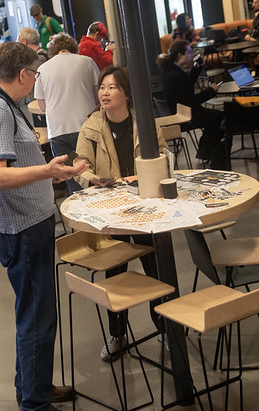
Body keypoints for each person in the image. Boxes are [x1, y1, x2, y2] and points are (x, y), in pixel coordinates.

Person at [0, 41, 84, 410]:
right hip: (20, 227)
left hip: (24, 223)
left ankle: (32, 386)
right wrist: (48, 171)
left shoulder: (2, 103)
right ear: (22, 74)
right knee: (37, 316)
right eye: (34, 72)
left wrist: (47, 176)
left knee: (33, 312)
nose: (35, 79)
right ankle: (35, 403)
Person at [76, 66, 168, 360]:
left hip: (145, 206)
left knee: (156, 267)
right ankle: (117, 334)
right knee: (114, 273)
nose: (104, 92)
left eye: (112, 87)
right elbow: (82, 164)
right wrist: (91, 178)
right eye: (102, 87)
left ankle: (165, 327)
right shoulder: (91, 126)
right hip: (112, 210)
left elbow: (164, 154)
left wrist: (143, 174)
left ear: (126, 94)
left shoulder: (145, 121)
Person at [34, 33, 100, 194]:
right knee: (92, 172)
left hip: (59, 133)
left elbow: (42, 107)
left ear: (54, 50)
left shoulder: (42, 69)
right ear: (73, 47)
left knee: (70, 174)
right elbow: (98, 94)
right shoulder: (87, 62)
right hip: (86, 129)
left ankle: (77, 208)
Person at [158, 40, 227, 169]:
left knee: (215, 117)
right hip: (186, 116)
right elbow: (190, 101)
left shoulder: (171, 71)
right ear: (180, 56)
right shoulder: (174, 76)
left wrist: (197, 68)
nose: (191, 55)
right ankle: (214, 159)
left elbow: (187, 86)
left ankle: (205, 152)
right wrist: (211, 91)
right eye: (189, 52)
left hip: (185, 111)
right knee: (221, 117)